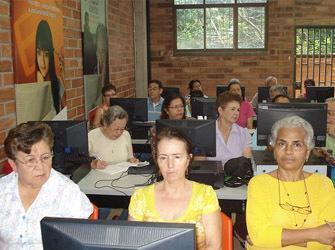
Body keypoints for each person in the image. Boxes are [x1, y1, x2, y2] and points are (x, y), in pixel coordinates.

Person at [246, 115, 335, 249]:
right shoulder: (258, 183)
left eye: (297, 144)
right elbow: (259, 237)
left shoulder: (323, 184)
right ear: (274, 150)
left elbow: (328, 240)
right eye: (282, 144)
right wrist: (316, 234)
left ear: (307, 152)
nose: (288, 151)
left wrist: (273, 238)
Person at [0, 122, 93, 249]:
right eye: (30, 160)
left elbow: (81, 242)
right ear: (13, 165)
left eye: (45, 157)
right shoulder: (2, 190)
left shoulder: (67, 192)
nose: (40, 167)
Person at [128, 127, 221, 250]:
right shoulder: (140, 197)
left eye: (176, 157)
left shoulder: (205, 194)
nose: (170, 165)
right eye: (163, 158)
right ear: (157, 160)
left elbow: (214, 246)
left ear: (188, 159)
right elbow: (131, 245)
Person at [207, 91, 252, 167]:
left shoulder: (244, 133)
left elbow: (246, 164)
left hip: (236, 177)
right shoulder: (206, 132)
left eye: (238, 110)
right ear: (220, 110)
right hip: (210, 177)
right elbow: (199, 164)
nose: (236, 113)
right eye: (232, 109)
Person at [35, 20, 65, 114]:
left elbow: (65, 109)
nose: (42, 63)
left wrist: (63, 74)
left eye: (46, 55)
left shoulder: (57, 81)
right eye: (39, 53)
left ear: (51, 56)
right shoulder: (33, 84)